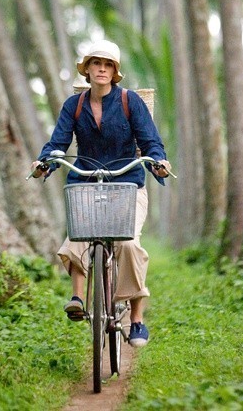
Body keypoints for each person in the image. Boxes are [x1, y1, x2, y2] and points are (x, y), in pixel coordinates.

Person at [30, 40, 171, 347]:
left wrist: (158, 163)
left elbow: (150, 142)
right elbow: (58, 143)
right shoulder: (74, 105)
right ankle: (78, 298)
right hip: (87, 184)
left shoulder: (129, 102)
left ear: (115, 72)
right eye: (96, 64)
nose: (102, 70)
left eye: (108, 65)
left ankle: (136, 319)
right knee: (77, 238)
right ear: (87, 69)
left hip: (127, 185)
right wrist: (45, 163)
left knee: (129, 245)